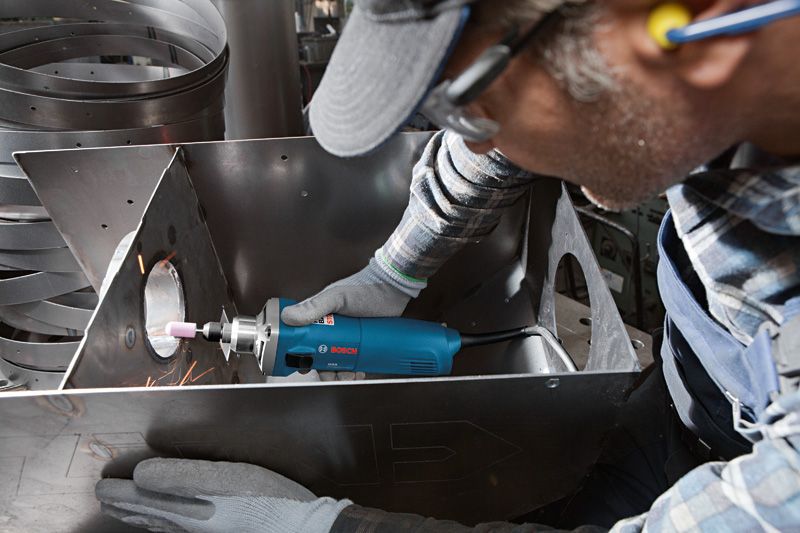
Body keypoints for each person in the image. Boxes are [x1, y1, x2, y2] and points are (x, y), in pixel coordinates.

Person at [96, 0, 800, 531]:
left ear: (699, 31)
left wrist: (332, 528)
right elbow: (544, 104)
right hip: (691, 409)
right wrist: (396, 270)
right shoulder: (707, 79)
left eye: (472, 103)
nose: (475, 135)